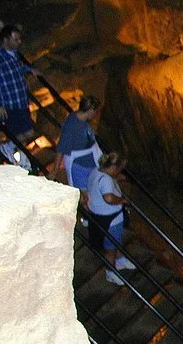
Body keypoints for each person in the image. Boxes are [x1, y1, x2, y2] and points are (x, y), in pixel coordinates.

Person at [0, 24, 41, 144]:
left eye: (19, 38)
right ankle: (10, 150)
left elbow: (17, 68)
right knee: (19, 137)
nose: (19, 42)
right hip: (10, 106)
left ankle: (19, 155)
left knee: (29, 133)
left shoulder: (14, 54)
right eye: (15, 39)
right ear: (6, 40)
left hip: (21, 102)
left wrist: (30, 69)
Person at [86, 151, 135, 285]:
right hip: (110, 219)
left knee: (115, 241)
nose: (119, 172)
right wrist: (122, 200)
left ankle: (120, 259)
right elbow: (108, 197)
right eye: (119, 169)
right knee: (110, 247)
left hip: (98, 215)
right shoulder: (106, 180)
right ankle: (110, 272)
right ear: (113, 167)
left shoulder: (96, 171)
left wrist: (116, 178)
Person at [51, 95, 103, 195]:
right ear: (90, 110)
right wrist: (55, 170)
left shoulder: (81, 121)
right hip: (79, 168)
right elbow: (61, 148)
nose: (96, 114)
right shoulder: (71, 126)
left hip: (89, 164)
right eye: (95, 111)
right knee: (84, 196)